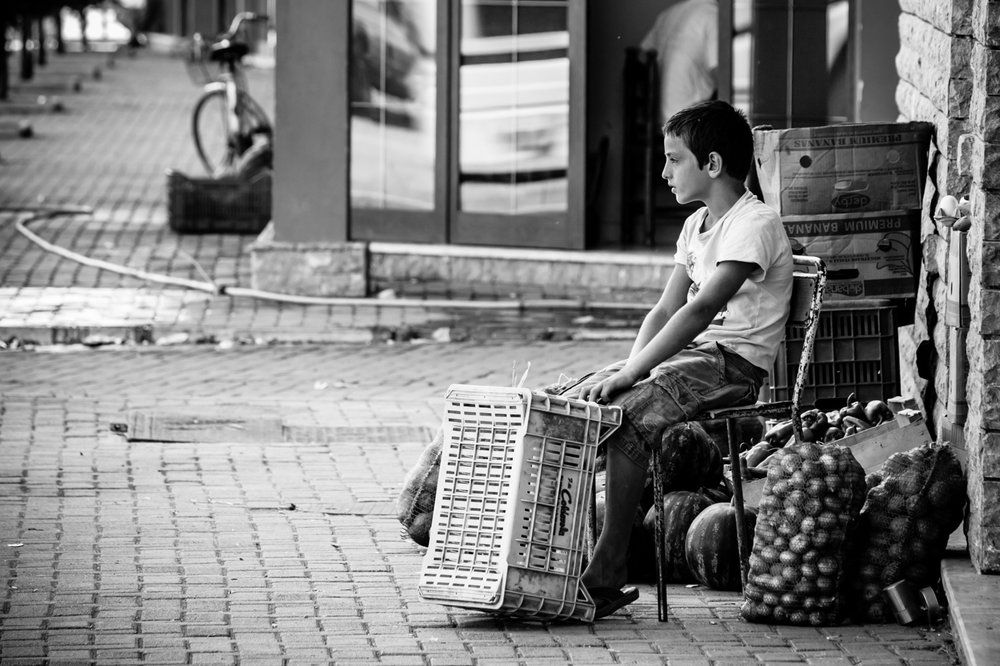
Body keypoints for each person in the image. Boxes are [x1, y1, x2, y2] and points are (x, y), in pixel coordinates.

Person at [570, 99, 793, 618]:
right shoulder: (696, 225)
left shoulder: (753, 223)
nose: (664, 171)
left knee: (628, 422)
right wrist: (629, 369)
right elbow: (666, 307)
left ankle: (606, 573)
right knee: (580, 399)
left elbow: (701, 308)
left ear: (711, 165)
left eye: (674, 159)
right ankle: (562, 556)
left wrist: (633, 375)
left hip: (732, 365)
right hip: (692, 359)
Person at [640, 0, 719, 124]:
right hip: (687, 123)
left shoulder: (667, 14)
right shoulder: (713, 15)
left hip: (656, 121)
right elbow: (722, 77)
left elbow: (643, 57)